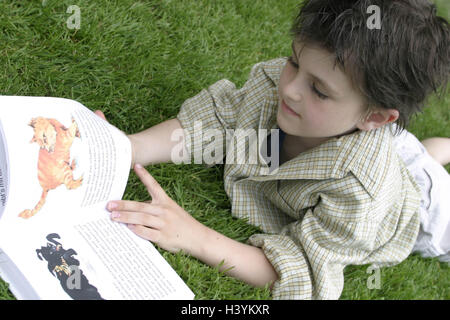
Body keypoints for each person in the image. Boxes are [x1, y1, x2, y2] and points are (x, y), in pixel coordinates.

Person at [99, 0, 450, 299]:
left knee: (429, 183)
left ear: (375, 116)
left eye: (319, 90)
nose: (291, 89)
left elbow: (299, 271)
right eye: (294, 62)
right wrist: (127, 147)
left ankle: (434, 157)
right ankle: (435, 150)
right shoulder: (289, 91)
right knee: (420, 153)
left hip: (420, 205)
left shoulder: (363, 194)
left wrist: (192, 235)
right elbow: (216, 122)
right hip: (377, 138)